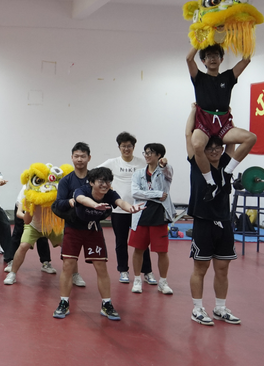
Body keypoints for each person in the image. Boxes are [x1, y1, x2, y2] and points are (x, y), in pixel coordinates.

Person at [53, 167, 142, 320]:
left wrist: (131, 208)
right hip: (73, 230)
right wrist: (94, 205)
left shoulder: (110, 194)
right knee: (68, 265)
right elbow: (81, 199)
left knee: (101, 267)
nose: (105, 185)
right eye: (101, 181)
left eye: (108, 181)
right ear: (92, 182)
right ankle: (64, 302)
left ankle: (106, 304)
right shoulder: (82, 190)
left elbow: (120, 202)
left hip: (93, 230)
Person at [185, 104, 241, 326]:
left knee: (223, 269)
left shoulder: (227, 163)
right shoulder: (197, 163)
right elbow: (189, 135)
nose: (215, 151)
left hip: (224, 221)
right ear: (204, 150)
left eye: (218, 147)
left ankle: (220, 308)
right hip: (203, 222)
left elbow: (232, 139)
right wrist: (194, 111)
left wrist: (226, 117)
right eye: (210, 148)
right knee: (201, 267)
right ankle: (197, 309)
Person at [186, 45, 256, 201]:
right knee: (197, 144)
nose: (212, 59)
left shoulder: (228, 76)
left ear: (221, 59)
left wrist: (242, 40)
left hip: (223, 122)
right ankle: (211, 183)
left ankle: (227, 171)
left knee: (251, 138)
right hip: (204, 122)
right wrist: (197, 43)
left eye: (216, 55)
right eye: (208, 56)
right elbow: (189, 59)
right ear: (203, 61)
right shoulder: (199, 77)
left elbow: (246, 59)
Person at [97, 132, 154, 284]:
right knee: (121, 242)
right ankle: (123, 270)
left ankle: (147, 272)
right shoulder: (112, 163)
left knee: (142, 243)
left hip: (139, 210)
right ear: (119, 147)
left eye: (129, 146)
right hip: (119, 210)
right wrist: (105, 188)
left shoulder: (142, 163)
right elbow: (94, 173)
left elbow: (156, 173)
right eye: (123, 146)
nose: (126, 149)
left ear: (133, 147)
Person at [130, 143, 175, 295]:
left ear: (159, 155)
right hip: (141, 215)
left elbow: (168, 171)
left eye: (150, 153)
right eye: (145, 152)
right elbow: (135, 193)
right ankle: (137, 280)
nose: (147, 155)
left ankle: (163, 282)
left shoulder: (165, 172)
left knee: (162, 251)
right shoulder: (138, 173)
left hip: (159, 216)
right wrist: (157, 194)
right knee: (138, 249)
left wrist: (165, 164)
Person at [52, 142, 93, 288]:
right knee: (69, 258)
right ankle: (73, 276)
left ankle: (106, 299)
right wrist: (70, 202)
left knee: (100, 262)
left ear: (89, 158)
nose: (79, 159)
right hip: (72, 224)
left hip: (92, 225)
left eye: (83, 156)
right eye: (76, 156)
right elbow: (59, 203)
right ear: (72, 158)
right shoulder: (66, 180)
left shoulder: (95, 178)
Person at [4, 185, 56, 284]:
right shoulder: (28, 187)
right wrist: (28, 216)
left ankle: (46, 262)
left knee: (45, 238)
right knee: (19, 235)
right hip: (29, 217)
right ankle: (11, 262)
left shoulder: (52, 187)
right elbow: (19, 212)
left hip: (45, 222)